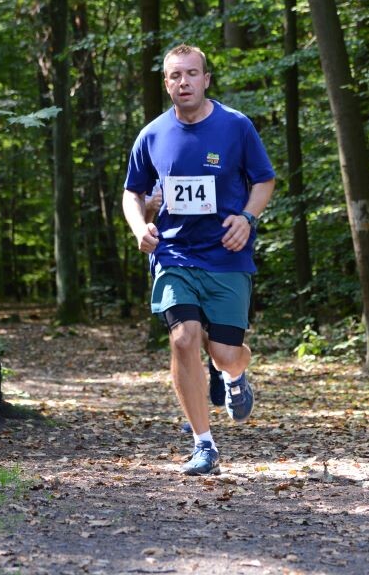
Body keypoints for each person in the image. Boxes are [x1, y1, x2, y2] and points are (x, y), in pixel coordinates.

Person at [122, 44, 276, 476]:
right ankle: (203, 444)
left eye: (192, 73)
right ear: (166, 82)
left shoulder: (235, 126)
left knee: (225, 353)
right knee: (184, 338)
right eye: (175, 75)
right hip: (174, 254)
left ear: (206, 79)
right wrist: (139, 227)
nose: (184, 82)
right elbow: (132, 192)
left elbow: (264, 180)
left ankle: (233, 375)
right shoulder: (152, 135)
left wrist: (247, 218)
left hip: (227, 255)